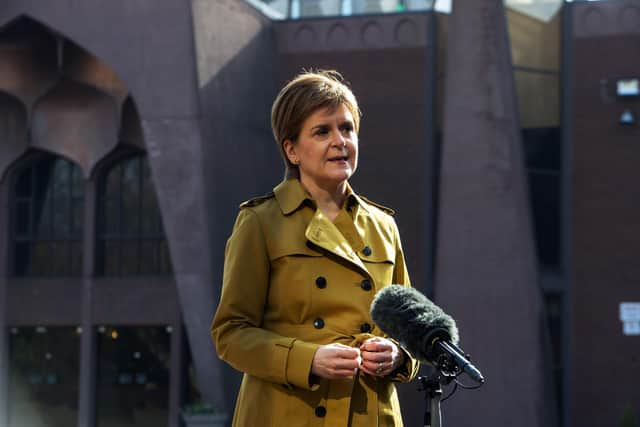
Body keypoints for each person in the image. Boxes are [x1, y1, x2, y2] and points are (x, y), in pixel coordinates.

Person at [211, 70, 418, 427]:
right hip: (288, 413)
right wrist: (307, 359)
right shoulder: (260, 221)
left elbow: (411, 329)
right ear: (291, 150)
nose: (340, 141)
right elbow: (230, 333)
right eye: (322, 131)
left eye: (347, 128)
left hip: (371, 413)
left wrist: (398, 355)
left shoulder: (384, 226)